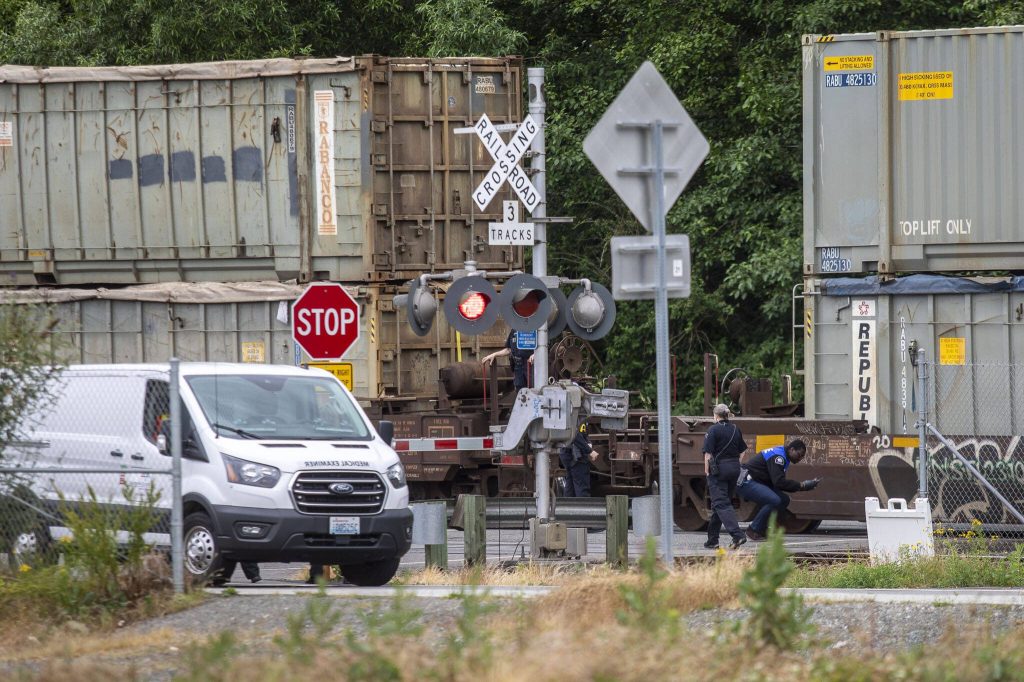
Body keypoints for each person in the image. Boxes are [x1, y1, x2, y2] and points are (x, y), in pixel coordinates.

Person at [738, 439, 821, 541]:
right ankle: (753, 530)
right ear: (792, 449)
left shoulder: (783, 454)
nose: (800, 458)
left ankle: (761, 528)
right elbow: (779, 482)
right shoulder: (778, 457)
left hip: (756, 481)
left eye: (802, 457)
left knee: (783, 499)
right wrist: (802, 485)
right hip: (747, 481)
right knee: (774, 500)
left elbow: (776, 483)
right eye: (799, 455)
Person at [702, 403, 748, 550]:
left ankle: (738, 535)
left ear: (716, 416)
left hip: (719, 470)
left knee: (721, 503)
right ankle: (712, 540)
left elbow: (708, 453)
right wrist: (735, 464)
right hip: (734, 469)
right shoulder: (736, 429)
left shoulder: (713, 430)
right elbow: (743, 452)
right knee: (719, 504)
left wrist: (707, 470)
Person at [558, 419, 594, 497]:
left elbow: (582, 433)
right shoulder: (576, 414)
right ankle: (582, 508)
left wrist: (588, 444)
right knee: (582, 487)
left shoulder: (580, 416)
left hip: (569, 453)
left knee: (570, 486)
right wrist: (589, 450)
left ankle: (567, 508)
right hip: (575, 455)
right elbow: (574, 434)